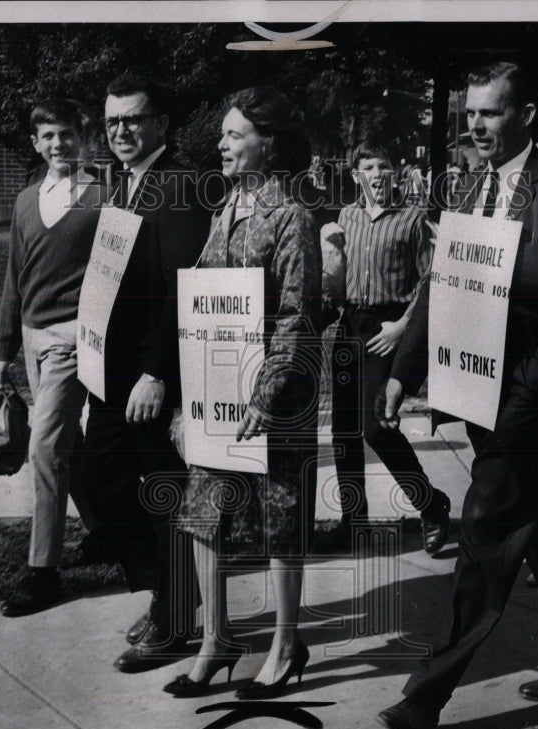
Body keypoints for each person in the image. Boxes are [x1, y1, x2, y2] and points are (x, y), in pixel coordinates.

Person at [374, 62, 538, 729]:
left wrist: (526, 399)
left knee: (482, 528)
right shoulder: (470, 188)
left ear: (527, 114)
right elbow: (441, 284)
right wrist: (404, 370)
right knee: (535, 525)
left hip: (529, 402)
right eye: (470, 115)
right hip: (475, 392)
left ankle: (426, 695)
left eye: (491, 113)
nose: (476, 126)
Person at [164, 86, 321, 698]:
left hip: (274, 398)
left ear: (269, 143)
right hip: (216, 393)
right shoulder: (223, 209)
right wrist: (187, 400)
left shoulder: (292, 217)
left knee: (280, 517)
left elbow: (297, 315)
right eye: (223, 134)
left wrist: (266, 393)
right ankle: (217, 640)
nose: (221, 143)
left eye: (234, 134)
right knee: (204, 513)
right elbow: (202, 307)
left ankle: (286, 645)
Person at [86, 74, 211, 674]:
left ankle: (175, 616)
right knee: (98, 477)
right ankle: (170, 593)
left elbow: (179, 288)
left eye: (133, 120)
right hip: (111, 374)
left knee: (162, 496)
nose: (122, 131)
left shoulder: (178, 185)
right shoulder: (125, 187)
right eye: (112, 122)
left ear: (161, 123)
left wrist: (158, 374)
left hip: (151, 378)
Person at [0, 99, 105, 617]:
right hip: (35, 338)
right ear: (36, 143)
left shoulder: (105, 195)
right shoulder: (25, 200)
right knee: (65, 445)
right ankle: (106, 532)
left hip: (73, 339)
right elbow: (15, 276)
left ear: (84, 138)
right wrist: (2, 350)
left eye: (67, 135)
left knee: (44, 447)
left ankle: (43, 572)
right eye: (48, 136)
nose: (59, 145)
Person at [328, 140, 451, 553]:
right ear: (355, 174)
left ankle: (431, 504)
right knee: (343, 431)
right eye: (368, 166)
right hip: (350, 327)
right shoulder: (346, 216)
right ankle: (353, 519)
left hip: (387, 328)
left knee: (377, 428)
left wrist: (402, 326)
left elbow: (432, 279)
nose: (377, 174)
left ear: (394, 173)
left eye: (384, 166)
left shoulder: (414, 220)